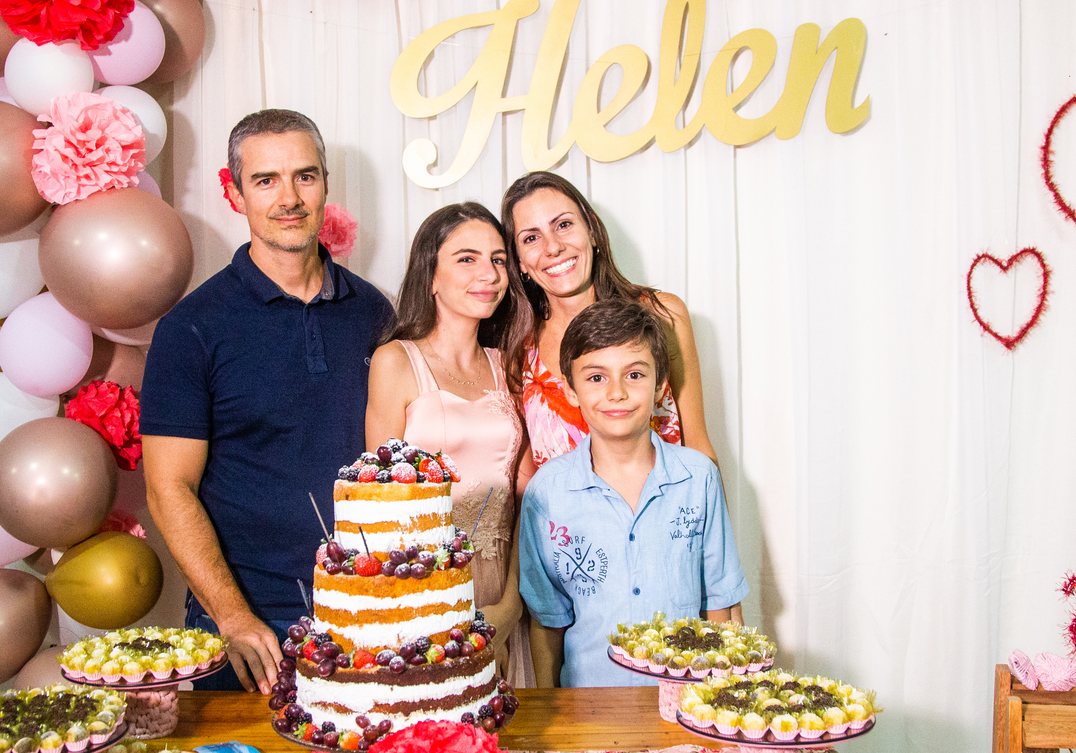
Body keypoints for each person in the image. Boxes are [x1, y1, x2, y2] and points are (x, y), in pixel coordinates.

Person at [140, 109, 394, 694]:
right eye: (265, 180)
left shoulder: (373, 312)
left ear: (325, 184)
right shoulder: (192, 328)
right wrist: (232, 617)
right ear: (234, 195)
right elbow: (167, 489)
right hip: (249, 627)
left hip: (366, 614)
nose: (289, 198)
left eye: (305, 176)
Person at [518, 298, 748, 688]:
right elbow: (547, 623)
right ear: (570, 390)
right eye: (596, 378)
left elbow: (722, 606)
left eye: (635, 374)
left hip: (684, 705)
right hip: (587, 709)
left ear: (660, 385)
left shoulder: (698, 479)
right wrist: (549, 709)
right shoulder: (548, 493)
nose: (617, 393)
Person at [365, 202, 535, 687]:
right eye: (466, 259)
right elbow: (378, 507)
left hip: (501, 584)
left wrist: (509, 605)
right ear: (431, 276)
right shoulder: (395, 362)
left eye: (498, 259)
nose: (489, 274)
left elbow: (526, 498)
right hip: (421, 588)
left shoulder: (510, 365)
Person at [500, 171, 717, 469]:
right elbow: (526, 476)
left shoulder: (662, 314)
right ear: (520, 261)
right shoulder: (518, 350)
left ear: (591, 230)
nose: (553, 247)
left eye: (563, 225)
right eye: (531, 238)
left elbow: (699, 447)